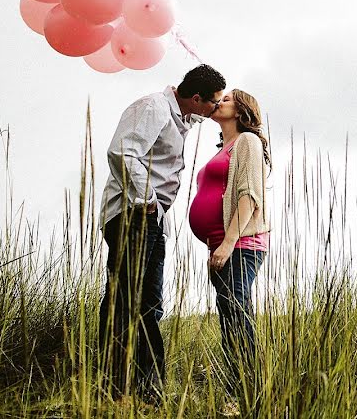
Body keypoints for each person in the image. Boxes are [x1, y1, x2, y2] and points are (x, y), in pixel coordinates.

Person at [98, 64, 226, 404]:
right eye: (213, 103)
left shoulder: (183, 118)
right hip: (133, 215)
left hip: (150, 220)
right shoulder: (153, 107)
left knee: (149, 303)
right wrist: (148, 202)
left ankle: (145, 388)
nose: (215, 110)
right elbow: (122, 152)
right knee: (127, 300)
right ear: (197, 99)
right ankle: (118, 386)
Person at [189, 89, 271, 412]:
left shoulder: (248, 142)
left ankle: (248, 393)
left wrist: (227, 243)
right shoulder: (225, 148)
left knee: (237, 315)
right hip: (223, 248)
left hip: (240, 245)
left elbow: (250, 197)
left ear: (241, 111)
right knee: (230, 320)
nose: (218, 102)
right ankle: (239, 392)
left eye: (225, 100)